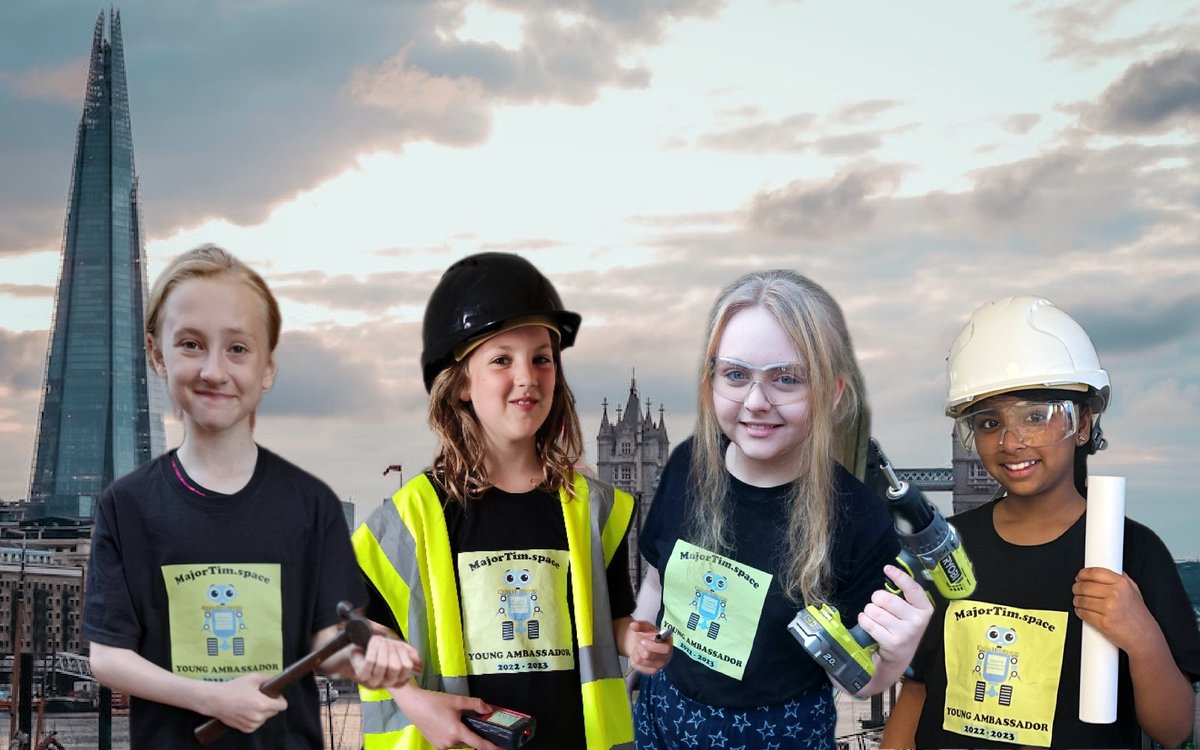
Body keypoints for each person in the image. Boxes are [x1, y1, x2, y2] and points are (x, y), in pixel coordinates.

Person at [83, 245, 421, 748]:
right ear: (157, 355)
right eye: (191, 345)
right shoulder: (126, 505)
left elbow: (328, 642)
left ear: (267, 369)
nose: (214, 371)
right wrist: (211, 698)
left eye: (238, 349)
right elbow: (108, 657)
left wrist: (369, 657)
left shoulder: (312, 504)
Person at [353, 252, 671, 750]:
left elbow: (609, 619)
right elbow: (351, 631)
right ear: (459, 384)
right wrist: (412, 701)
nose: (527, 376)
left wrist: (637, 641)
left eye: (541, 358)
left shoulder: (593, 507)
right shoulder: (413, 514)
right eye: (502, 359)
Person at [881, 295, 1200, 749]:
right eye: (989, 423)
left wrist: (1141, 634)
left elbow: (1173, 729)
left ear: (1084, 424)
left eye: (1036, 416)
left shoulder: (1134, 551)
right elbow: (919, 687)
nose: (1012, 441)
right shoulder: (947, 547)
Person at [633, 269, 933, 750]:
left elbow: (859, 679)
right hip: (664, 720)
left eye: (786, 379)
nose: (755, 402)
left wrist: (896, 657)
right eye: (735, 375)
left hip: (780, 734)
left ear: (833, 394)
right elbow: (656, 580)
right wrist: (639, 641)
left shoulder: (861, 521)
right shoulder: (687, 463)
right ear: (711, 380)